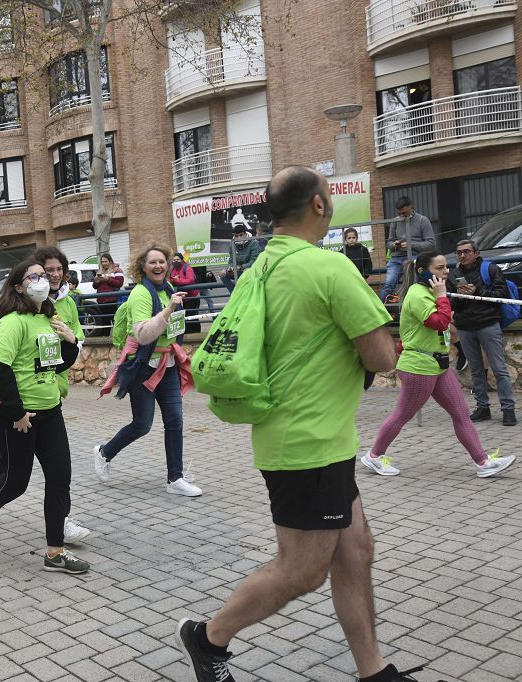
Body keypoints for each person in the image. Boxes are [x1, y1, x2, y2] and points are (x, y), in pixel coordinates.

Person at [175, 166, 429, 682]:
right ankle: (208, 638)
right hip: (308, 446)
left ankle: (373, 670)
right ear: (318, 205)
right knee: (302, 570)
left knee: (355, 551)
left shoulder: (261, 266)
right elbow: (382, 357)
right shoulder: (329, 268)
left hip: (306, 439)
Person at [0, 260, 88, 574]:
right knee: (15, 482)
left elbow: (55, 365)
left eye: (43, 275)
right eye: (33, 276)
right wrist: (18, 413)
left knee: (60, 479)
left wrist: (70, 341)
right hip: (17, 417)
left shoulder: (47, 318)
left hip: (51, 413)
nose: (42, 280)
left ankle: (55, 553)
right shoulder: (13, 321)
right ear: (19, 286)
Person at [361, 251, 515, 479]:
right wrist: (443, 297)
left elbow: (447, 326)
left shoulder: (429, 291)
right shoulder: (418, 294)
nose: (446, 272)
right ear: (423, 272)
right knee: (402, 414)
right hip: (419, 366)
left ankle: (483, 462)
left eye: (446, 267)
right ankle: (374, 456)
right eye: (440, 268)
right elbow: (439, 322)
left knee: (461, 412)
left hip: (438, 365)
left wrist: (445, 300)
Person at [94, 245, 201, 496]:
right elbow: (143, 334)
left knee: (175, 420)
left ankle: (175, 478)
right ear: (142, 266)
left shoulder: (168, 290)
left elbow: (172, 328)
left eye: (162, 261)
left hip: (168, 365)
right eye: (152, 262)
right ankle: (104, 452)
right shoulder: (141, 294)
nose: (158, 266)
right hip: (143, 366)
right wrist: (168, 310)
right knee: (142, 424)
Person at [450, 239, 517, 426]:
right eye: (459, 252)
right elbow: (452, 304)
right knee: (476, 370)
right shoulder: (454, 274)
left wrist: (477, 291)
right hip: (464, 327)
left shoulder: (490, 269)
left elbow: (501, 295)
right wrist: (461, 295)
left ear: (476, 253)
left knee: (499, 368)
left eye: (466, 251)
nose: (462, 255)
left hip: (488, 324)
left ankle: (508, 409)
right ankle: (482, 407)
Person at [379, 196, 435, 304]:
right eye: (399, 213)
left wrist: (411, 245)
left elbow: (431, 244)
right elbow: (389, 242)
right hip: (396, 257)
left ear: (411, 207)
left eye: (404, 213)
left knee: (413, 284)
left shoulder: (423, 220)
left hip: (415, 257)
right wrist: (394, 245)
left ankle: (412, 307)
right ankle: (383, 313)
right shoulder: (395, 221)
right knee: (388, 284)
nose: (401, 216)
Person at [220, 225, 263, 292]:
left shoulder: (254, 243)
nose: (239, 237)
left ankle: (244, 294)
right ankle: (234, 294)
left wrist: (240, 267)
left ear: (245, 234)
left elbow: (254, 261)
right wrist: (229, 268)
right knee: (222, 274)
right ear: (234, 235)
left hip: (251, 270)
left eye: (241, 235)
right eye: (236, 236)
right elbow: (231, 259)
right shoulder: (232, 244)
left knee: (246, 272)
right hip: (239, 270)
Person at [168, 251, 201, 334]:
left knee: (192, 316)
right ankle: (186, 333)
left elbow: (190, 280)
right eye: (173, 260)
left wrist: (176, 280)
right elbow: (168, 279)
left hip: (192, 297)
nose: (175, 261)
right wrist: (173, 280)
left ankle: (196, 333)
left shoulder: (187, 268)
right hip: (181, 299)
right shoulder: (172, 269)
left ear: (182, 260)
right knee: (183, 316)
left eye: (177, 259)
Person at [92, 253, 124, 336]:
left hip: (113, 300)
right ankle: (104, 338)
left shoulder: (117, 270)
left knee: (115, 320)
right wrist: (97, 280)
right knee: (104, 321)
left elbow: (119, 283)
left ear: (110, 261)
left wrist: (107, 279)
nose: (104, 263)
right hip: (101, 300)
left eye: (105, 261)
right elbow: (94, 286)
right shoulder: (99, 271)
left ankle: (118, 337)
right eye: (102, 262)